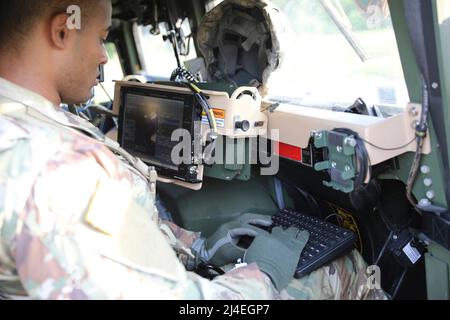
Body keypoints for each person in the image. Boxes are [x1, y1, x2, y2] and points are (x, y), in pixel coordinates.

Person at [0, 0, 387, 300]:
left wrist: (200, 246)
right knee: (345, 266)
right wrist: (263, 272)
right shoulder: (57, 167)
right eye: (102, 37)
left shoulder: (24, 126)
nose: (105, 57)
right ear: (62, 31)